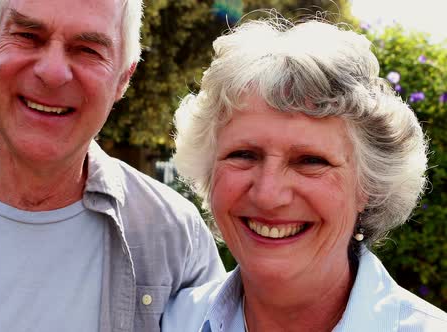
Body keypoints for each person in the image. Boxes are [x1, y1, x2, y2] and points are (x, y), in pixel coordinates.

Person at [0, 0, 226, 331]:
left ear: (123, 78)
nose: (52, 72)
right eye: (28, 36)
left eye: (87, 49)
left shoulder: (175, 237)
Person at [161, 19, 447, 332]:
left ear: (369, 187)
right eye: (243, 155)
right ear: (208, 172)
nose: (268, 195)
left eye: (310, 161)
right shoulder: (169, 323)